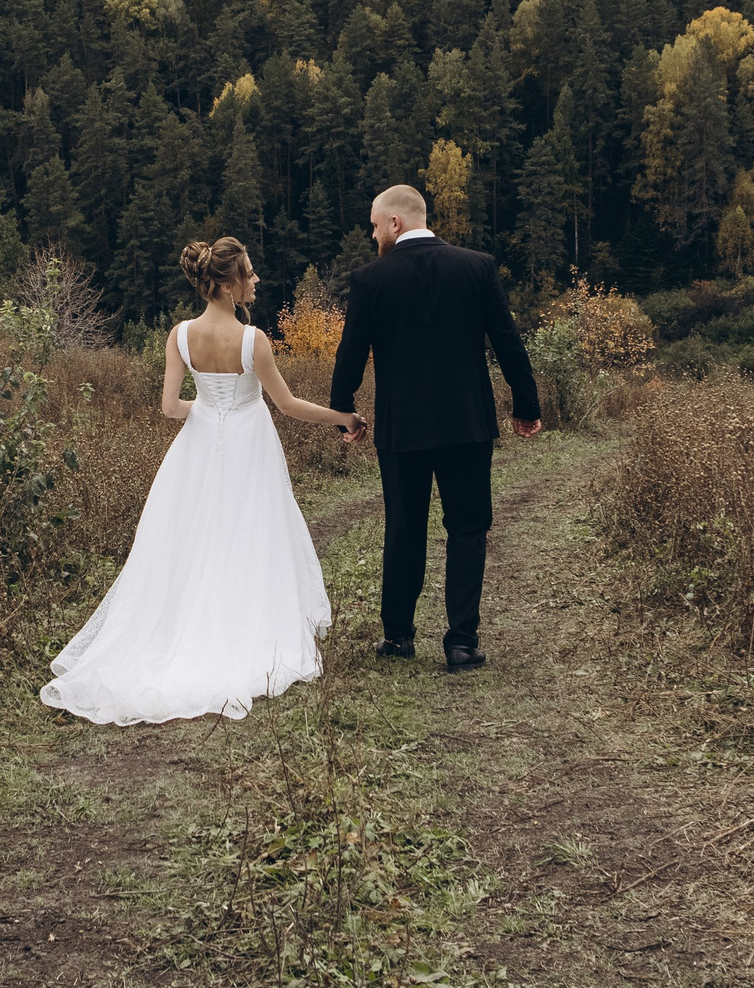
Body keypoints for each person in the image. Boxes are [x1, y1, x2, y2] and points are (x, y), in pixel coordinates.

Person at [39, 237, 358, 724]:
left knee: (195, 541)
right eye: (249, 275)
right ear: (229, 285)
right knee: (247, 535)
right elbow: (288, 406)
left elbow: (170, 408)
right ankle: (239, 629)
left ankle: (182, 629)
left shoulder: (180, 335)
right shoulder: (253, 341)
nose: (255, 281)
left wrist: (209, 411)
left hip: (198, 445)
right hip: (250, 446)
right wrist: (343, 418)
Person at [328, 184, 542, 673]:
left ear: (397, 223)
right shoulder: (476, 266)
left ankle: (399, 637)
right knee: (468, 527)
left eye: (375, 223)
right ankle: (462, 643)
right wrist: (525, 405)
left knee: (404, 527)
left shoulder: (369, 280)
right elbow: (508, 341)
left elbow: (351, 353)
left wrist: (345, 412)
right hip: (467, 424)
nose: (373, 231)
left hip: (403, 429)